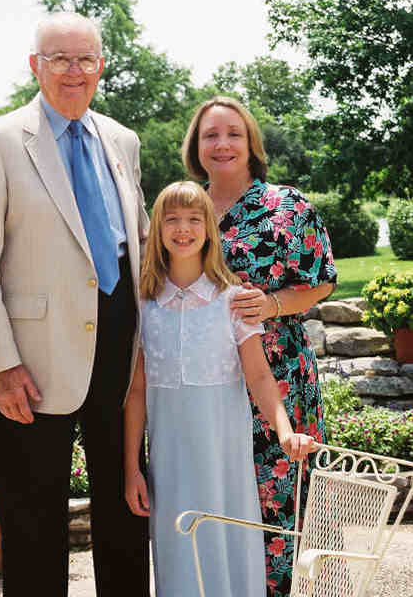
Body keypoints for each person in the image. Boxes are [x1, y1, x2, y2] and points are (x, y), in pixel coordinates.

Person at [0, 12, 150, 597]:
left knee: (125, 509)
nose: (73, 71)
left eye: (84, 59)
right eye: (59, 59)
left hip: (120, 350)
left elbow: (137, 241)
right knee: (33, 520)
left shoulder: (123, 140)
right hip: (31, 366)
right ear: (35, 65)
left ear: (101, 66)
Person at [124, 180, 317, 597]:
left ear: (210, 228)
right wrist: (131, 468)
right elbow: (136, 393)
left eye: (194, 219)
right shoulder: (143, 307)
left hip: (225, 462)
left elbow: (260, 377)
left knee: (230, 551)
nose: (183, 228)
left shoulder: (232, 300)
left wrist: (285, 431)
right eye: (171, 219)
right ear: (156, 229)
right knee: (180, 553)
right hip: (170, 467)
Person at [182, 96, 336, 596]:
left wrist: (271, 305)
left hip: (279, 372)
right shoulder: (184, 208)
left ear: (251, 143)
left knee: (287, 502)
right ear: (196, 147)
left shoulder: (286, 206)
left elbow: (322, 281)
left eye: (233, 134)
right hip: (205, 380)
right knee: (220, 499)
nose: (222, 144)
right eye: (210, 135)